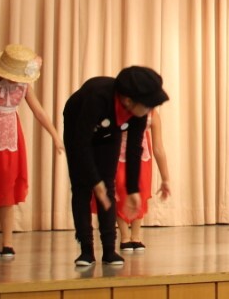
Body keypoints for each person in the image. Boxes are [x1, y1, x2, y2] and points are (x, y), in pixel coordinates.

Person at [0, 44, 64, 259]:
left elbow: (39, 111)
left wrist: (55, 136)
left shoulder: (24, 86)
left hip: (10, 141)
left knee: (6, 191)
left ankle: (7, 242)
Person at [64, 66, 169, 266]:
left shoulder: (138, 113)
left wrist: (133, 189)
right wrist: (95, 181)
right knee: (82, 187)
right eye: (148, 104)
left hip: (109, 133)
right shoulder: (97, 98)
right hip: (78, 129)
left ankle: (109, 250)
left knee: (108, 187)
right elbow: (81, 144)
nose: (150, 111)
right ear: (128, 100)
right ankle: (86, 250)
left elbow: (134, 149)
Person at [114, 107, 171, 251]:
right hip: (117, 155)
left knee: (142, 192)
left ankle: (136, 236)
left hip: (142, 157)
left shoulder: (152, 113)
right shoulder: (116, 108)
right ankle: (124, 236)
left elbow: (158, 147)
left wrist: (165, 177)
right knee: (119, 192)